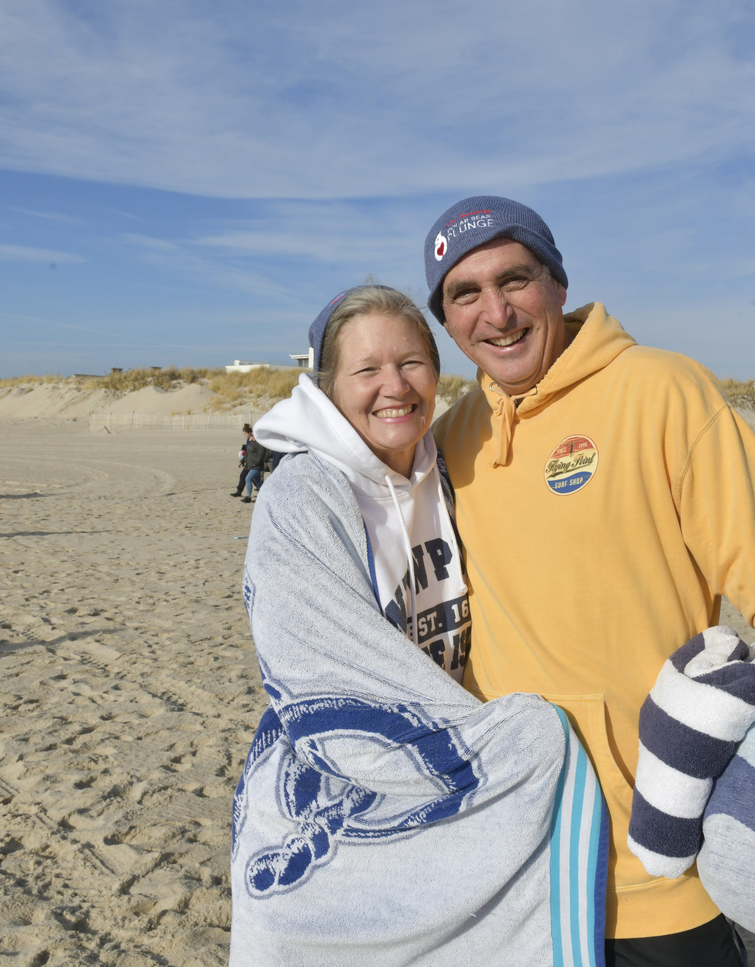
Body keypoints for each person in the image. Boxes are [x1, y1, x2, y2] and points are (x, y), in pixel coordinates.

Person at [427, 196, 755, 964]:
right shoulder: (454, 436)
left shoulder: (661, 390)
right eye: (465, 294)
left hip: (660, 859)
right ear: (448, 321)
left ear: (557, 283)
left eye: (515, 280)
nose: (496, 312)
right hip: (521, 858)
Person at [233, 285, 611, 965]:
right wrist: (518, 739)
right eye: (367, 370)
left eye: (412, 363)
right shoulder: (304, 495)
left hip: (451, 761)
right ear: (326, 387)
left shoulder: (443, 471)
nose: (394, 387)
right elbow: (323, 671)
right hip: (341, 790)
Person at [239, 428, 270, 503]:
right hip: (251, 465)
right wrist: (241, 461)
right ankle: (264, 495)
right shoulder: (252, 443)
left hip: (256, 466)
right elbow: (247, 454)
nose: (251, 437)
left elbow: (261, 454)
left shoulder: (259, 444)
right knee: (258, 481)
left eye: (253, 436)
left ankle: (248, 496)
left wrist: (256, 462)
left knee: (248, 479)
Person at [231, 424, 254, 497]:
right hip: (248, 462)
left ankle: (261, 491)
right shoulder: (248, 440)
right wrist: (242, 461)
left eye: (245, 434)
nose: (244, 435)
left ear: (250, 433)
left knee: (252, 478)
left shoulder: (254, 441)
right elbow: (247, 452)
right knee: (244, 476)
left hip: (253, 463)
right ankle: (239, 491)